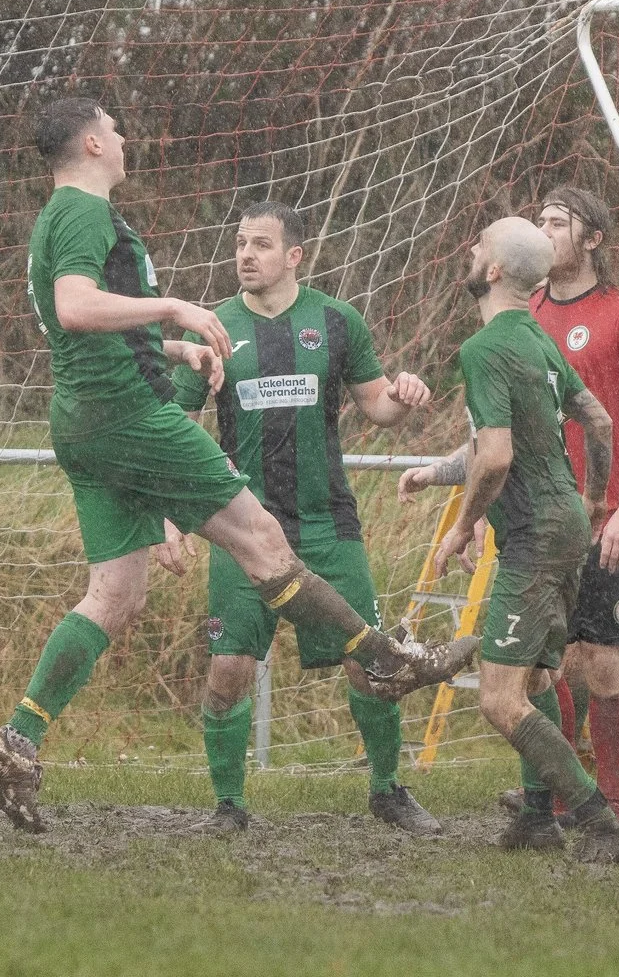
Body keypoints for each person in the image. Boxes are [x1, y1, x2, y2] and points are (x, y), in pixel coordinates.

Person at [0, 97, 472, 833]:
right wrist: (173, 311)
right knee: (264, 542)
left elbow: (74, 330)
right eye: (115, 126)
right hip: (129, 416)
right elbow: (75, 307)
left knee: (114, 597)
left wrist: (172, 350)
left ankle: (18, 737)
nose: (123, 134)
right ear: (90, 142)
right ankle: (388, 656)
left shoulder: (56, 219)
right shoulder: (83, 210)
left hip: (82, 418)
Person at [170, 200, 443, 834]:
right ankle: (229, 805)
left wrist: (404, 397)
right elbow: (177, 428)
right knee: (230, 668)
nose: (245, 254)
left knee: (369, 662)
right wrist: (172, 518)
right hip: (241, 528)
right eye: (240, 242)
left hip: (328, 526)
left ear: (295, 255)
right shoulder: (212, 329)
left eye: (260, 244)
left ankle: (387, 790)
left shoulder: (337, 321)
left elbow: (376, 405)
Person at [399, 217, 619, 863]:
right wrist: (590, 499)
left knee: (499, 700)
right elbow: (598, 417)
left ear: (494, 270)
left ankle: (603, 826)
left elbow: (495, 457)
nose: (469, 252)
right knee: (533, 681)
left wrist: (462, 523)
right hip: (564, 525)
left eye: (477, 246)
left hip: (533, 538)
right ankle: (537, 819)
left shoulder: (484, 350)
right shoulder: (534, 334)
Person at [522, 186, 619, 819]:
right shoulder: (525, 311)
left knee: (602, 657)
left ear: (593, 239)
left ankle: (614, 799)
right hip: (552, 515)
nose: (544, 232)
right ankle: (589, 793)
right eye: (539, 221)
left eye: (557, 222)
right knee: (555, 659)